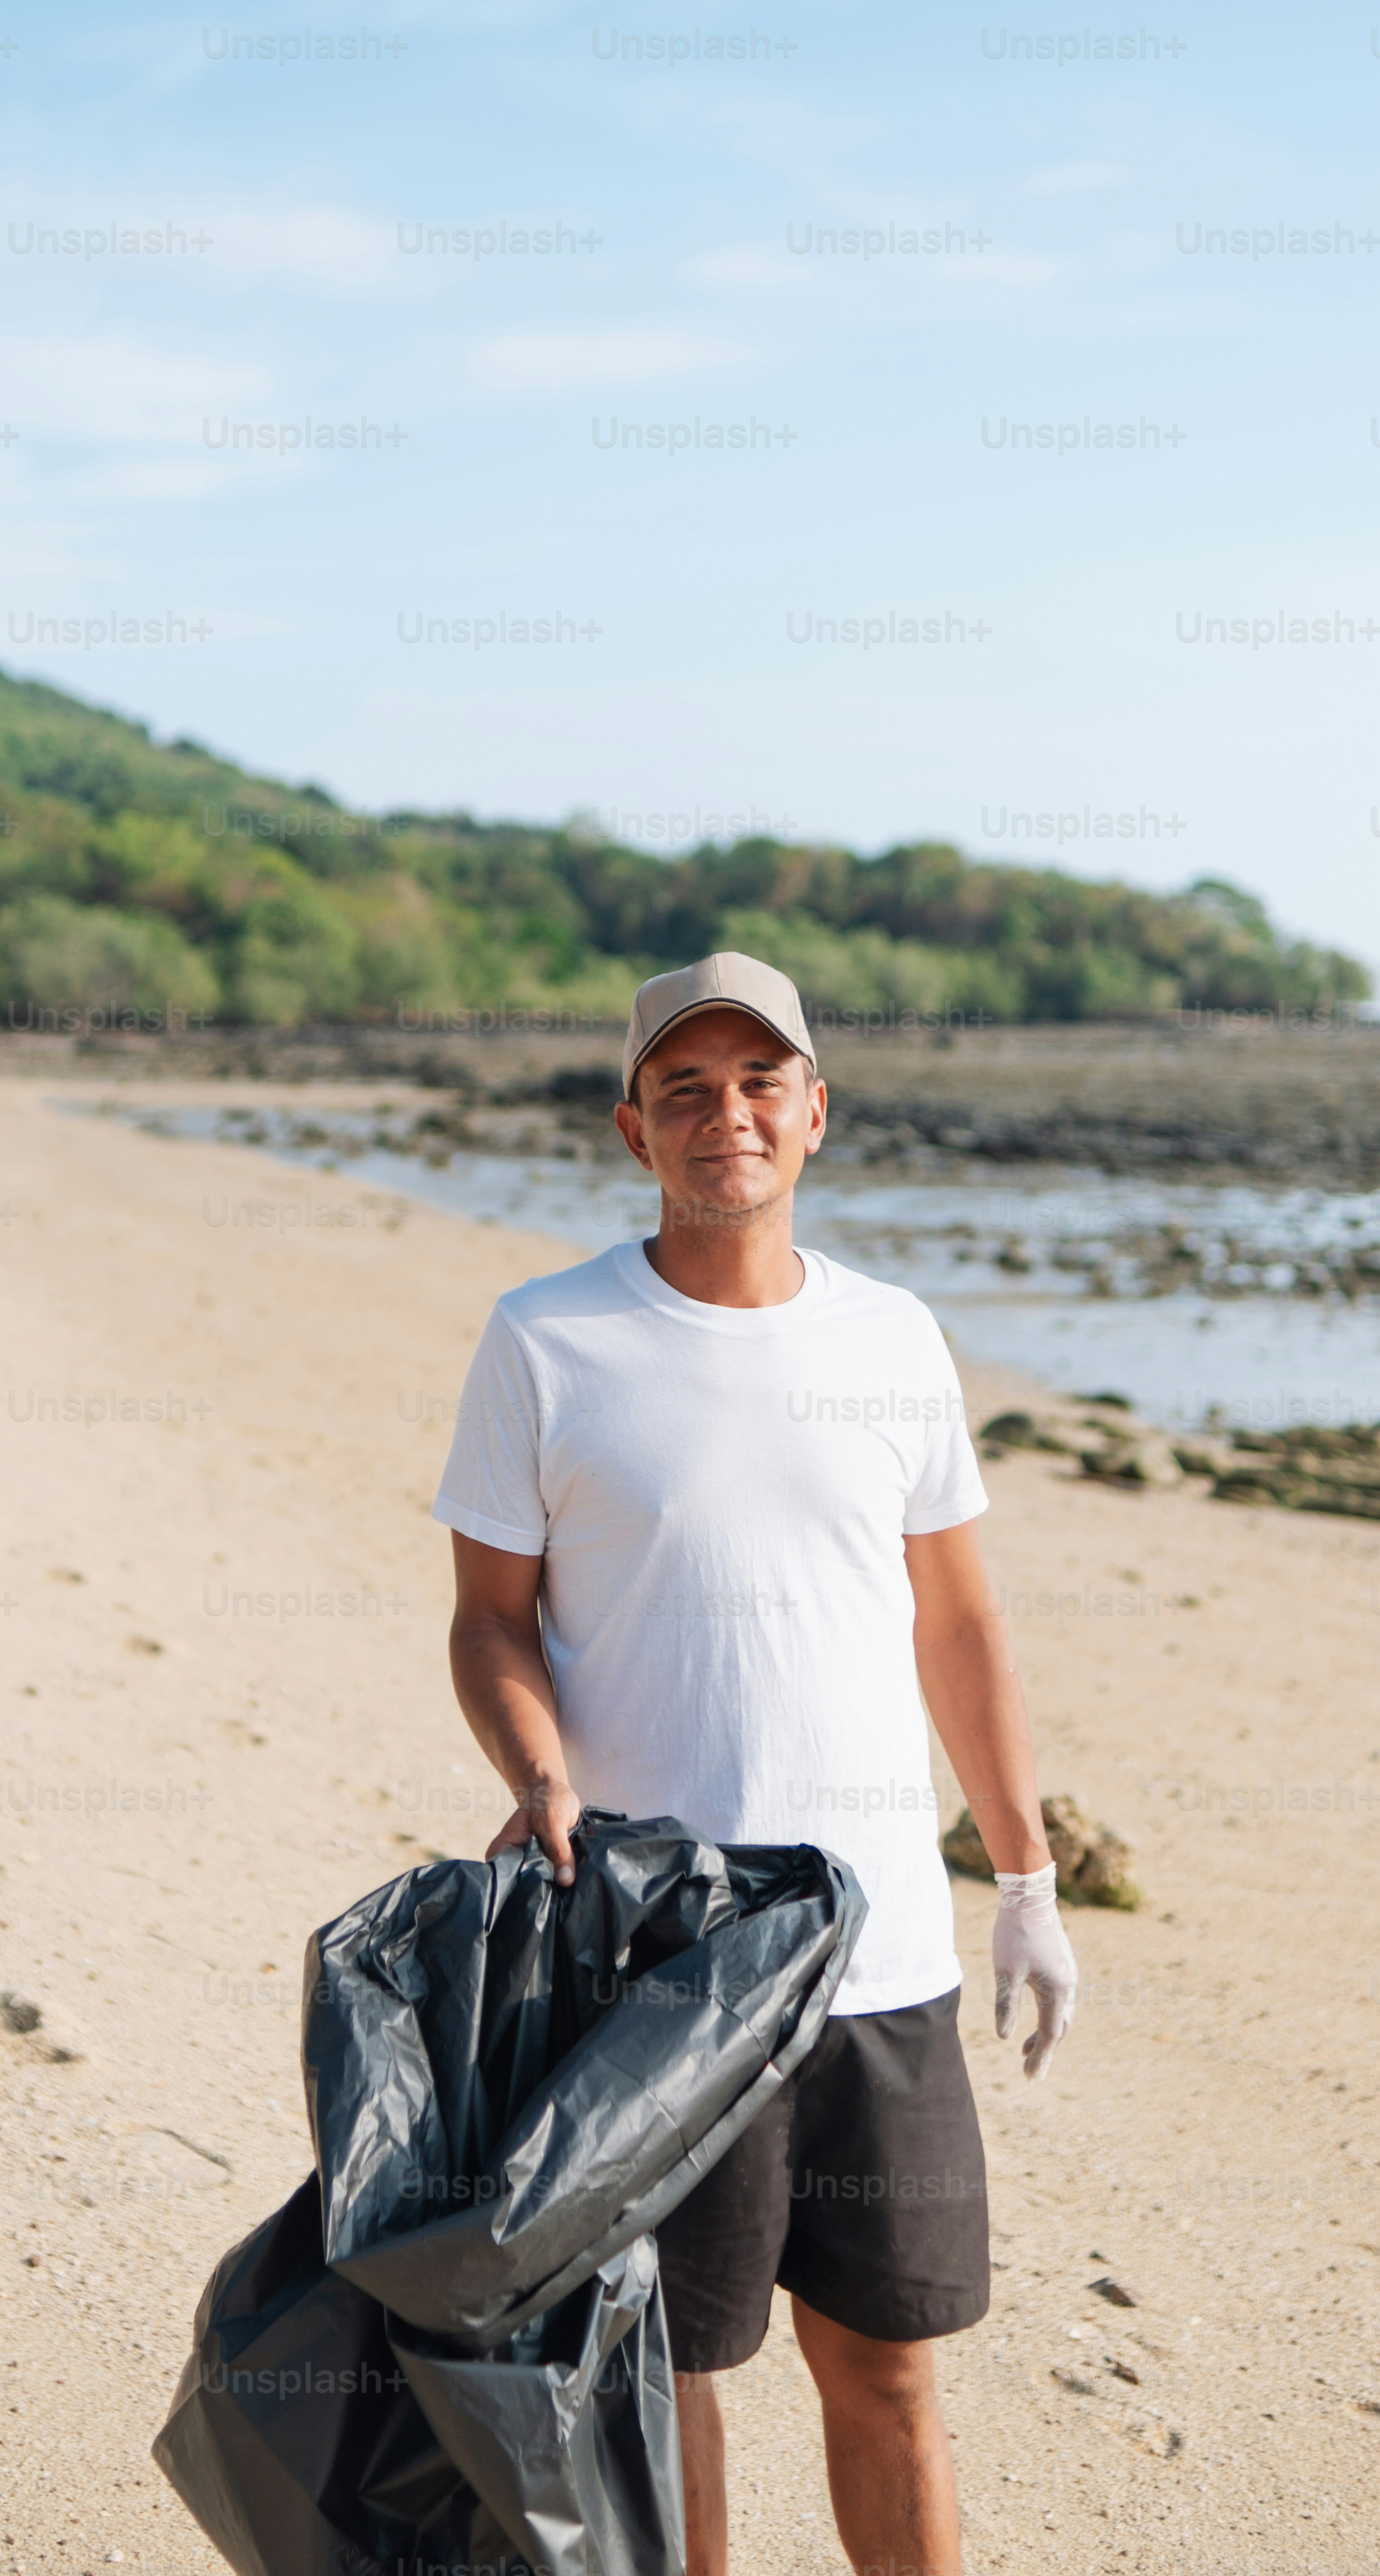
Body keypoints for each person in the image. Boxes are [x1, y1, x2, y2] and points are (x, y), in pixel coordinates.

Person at [433, 950, 1078, 2576]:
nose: (725, 1113)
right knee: (672, 2373)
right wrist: (537, 1777)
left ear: (812, 1117)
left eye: (757, 1083)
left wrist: (1023, 1880)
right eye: (684, 1089)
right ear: (632, 1131)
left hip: (881, 1965)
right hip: (659, 1965)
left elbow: (959, 1628)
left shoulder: (894, 1337)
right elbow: (486, 1623)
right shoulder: (544, 1340)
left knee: (886, 2361)